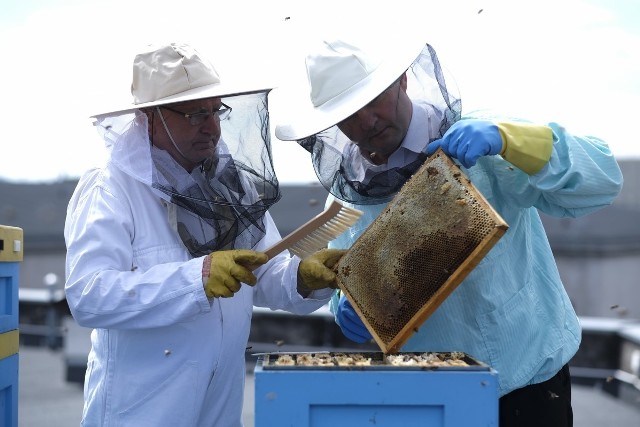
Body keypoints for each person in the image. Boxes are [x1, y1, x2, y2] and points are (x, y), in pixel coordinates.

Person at [274, 33, 623, 426]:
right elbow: (348, 282)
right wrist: (348, 309)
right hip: (432, 397)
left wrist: (511, 141)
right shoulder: (347, 200)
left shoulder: (483, 136)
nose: (366, 122)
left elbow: (602, 181)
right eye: (348, 115)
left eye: (373, 101)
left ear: (402, 81)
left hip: (531, 381)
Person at [64, 43, 345, 427]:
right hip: (139, 413)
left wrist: (302, 277)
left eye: (216, 111)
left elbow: (263, 270)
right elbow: (89, 295)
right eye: (196, 113)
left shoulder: (229, 185)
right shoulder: (110, 188)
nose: (212, 127)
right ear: (150, 117)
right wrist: (195, 279)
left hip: (218, 409)